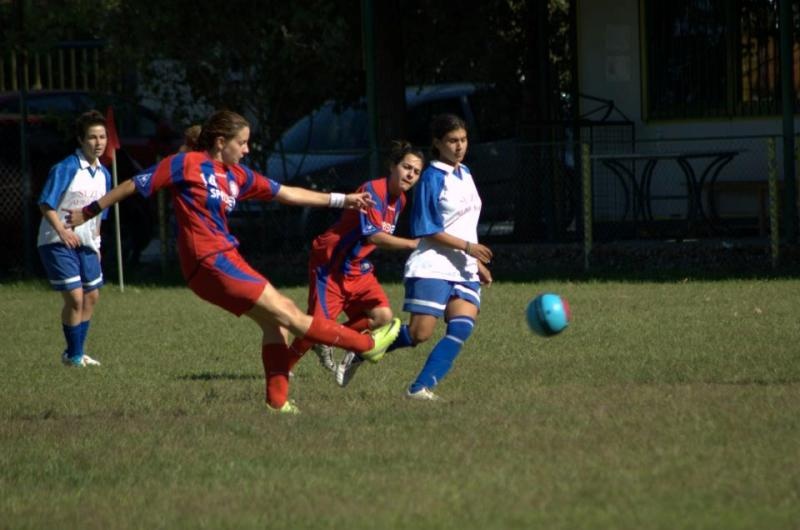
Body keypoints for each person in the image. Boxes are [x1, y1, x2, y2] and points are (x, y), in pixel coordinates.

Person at [66, 110, 401, 414]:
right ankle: (366, 345)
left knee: (277, 324)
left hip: (220, 261)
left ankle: (278, 402)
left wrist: (344, 199)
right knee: (291, 314)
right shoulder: (185, 163)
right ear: (220, 142)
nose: (247, 150)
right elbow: (131, 185)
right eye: (242, 143)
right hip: (210, 259)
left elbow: (286, 193)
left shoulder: (237, 175)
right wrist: (89, 211)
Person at [339, 113, 493, 400]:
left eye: (463, 140)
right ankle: (362, 347)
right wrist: (469, 249)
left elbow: (465, 225)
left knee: (461, 328)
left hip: (463, 268)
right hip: (433, 265)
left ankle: (420, 388)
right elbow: (426, 229)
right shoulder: (432, 178)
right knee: (419, 334)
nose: (459, 146)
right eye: (452, 141)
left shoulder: (466, 174)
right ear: (438, 143)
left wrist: (474, 261)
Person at [285, 140, 424, 386]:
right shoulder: (372, 190)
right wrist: (412, 244)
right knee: (318, 325)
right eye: (406, 167)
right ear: (392, 166)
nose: (410, 174)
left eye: (416, 171)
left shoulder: (400, 200)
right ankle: (282, 366)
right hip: (331, 263)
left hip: (357, 268)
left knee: (382, 315)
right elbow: (373, 236)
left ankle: (324, 339)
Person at [38, 110, 112, 367]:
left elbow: (100, 215)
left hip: (87, 244)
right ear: (81, 140)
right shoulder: (66, 168)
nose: (98, 142)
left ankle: (76, 353)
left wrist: (98, 244)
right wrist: (62, 231)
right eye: (92, 137)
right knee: (75, 297)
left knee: (92, 297)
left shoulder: (105, 175)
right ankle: (74, 355)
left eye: (102, 137)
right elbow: (45, 204)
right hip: (57, 242)